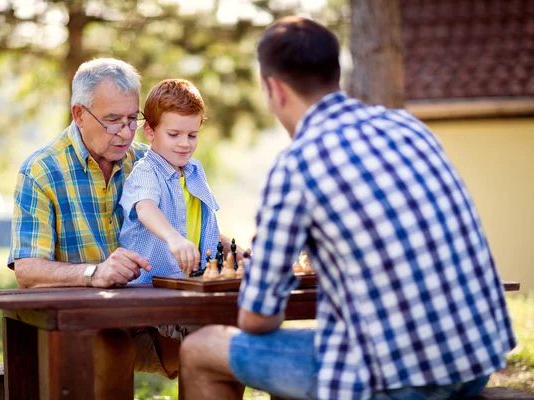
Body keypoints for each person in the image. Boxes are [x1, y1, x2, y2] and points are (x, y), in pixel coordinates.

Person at [179, 17, 516, 400]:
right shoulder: (408, 127)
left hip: (394, 379)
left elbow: (256, 319)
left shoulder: (298, 163)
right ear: (334, 74)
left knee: (199, 348)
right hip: (474, 363)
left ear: (274, 89)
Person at [8, 59, 231, 398]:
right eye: (113, 121)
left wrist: (228, 249)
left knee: (220, 348)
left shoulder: (147, 159)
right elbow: (26, 269)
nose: (126, 133)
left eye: (132, 119)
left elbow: (186, 224)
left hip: (148, 318)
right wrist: (92, 273)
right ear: (79, 114)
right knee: (113, 347)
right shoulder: (41, 172)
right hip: (81, 324)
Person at [119, 79, 220, 284]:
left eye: (192, 135)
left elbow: (202, 224)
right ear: (149, 131)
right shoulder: (146, 171)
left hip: (191, 284)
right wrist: (173, 238)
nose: (184, 144)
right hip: (148, 290)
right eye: (174, 135)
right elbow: (145, 207)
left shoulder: (195, 170)